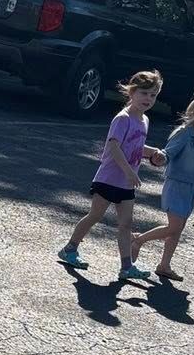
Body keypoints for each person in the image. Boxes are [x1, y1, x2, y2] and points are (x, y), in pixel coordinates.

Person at [55, 71, 167, 283]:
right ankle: (70, 248)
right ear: (131, 92)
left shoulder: (144, 120)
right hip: (109, 178)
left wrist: (153, 152)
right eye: (144, 93)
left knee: (126, 224)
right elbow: (114, 146)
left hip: (126, 183)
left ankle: (126, 266)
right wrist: (128, 171)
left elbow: (135, 146)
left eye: (153, 95)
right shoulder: (123, 119)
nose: (148, 99)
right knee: (95, 215)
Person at [133, 91, 194, 281]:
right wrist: (160, 158)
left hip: (192, 189)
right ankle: (138, 240)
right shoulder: (185, 133)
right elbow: (168, 153)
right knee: (173, 227)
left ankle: (164, 265)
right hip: (177, 185)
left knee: (178, 229)